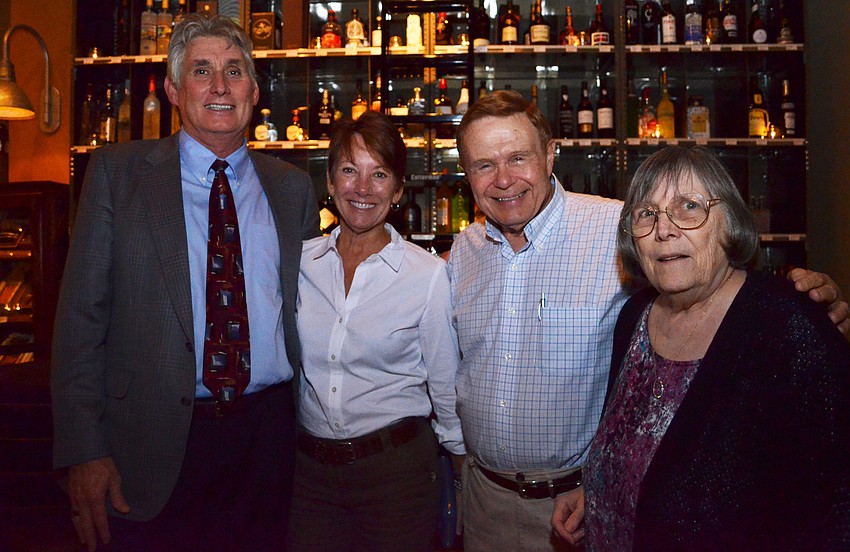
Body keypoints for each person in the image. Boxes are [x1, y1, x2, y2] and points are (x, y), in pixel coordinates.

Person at [449, 90, 849, 552]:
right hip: (495, 505)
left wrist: (811, 303)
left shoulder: (612, 230)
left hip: (581, 507)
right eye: (484, 165)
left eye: (518, 157)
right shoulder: (465, 253)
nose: (504, 179)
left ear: (550, 153)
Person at [51, 14, 319, 551]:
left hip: (268, 445)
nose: (220, 86)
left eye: (234, 71)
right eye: (202, 70)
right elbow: (80, 322)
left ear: (254, 90)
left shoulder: (292, 189)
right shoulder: (116, 174)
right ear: (173, 88)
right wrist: (82, 450)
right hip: (147, 445)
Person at [551, 145, 850, 550]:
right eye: (646, 214)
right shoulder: (634, 317)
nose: (664, 229)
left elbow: (833, 509)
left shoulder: (788, 326)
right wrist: (601, 489)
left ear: (730, 224)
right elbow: (643, 449)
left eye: (689, 206)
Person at [288, 110, 465, 552]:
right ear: (329, 183)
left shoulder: (425, 276)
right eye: (349, 171)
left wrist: (461, 467)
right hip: (310, 474)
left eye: (379, 174)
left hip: (396, 475)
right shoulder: (298, 264)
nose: (362, 189)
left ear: (399, 190)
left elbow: (444, 385)